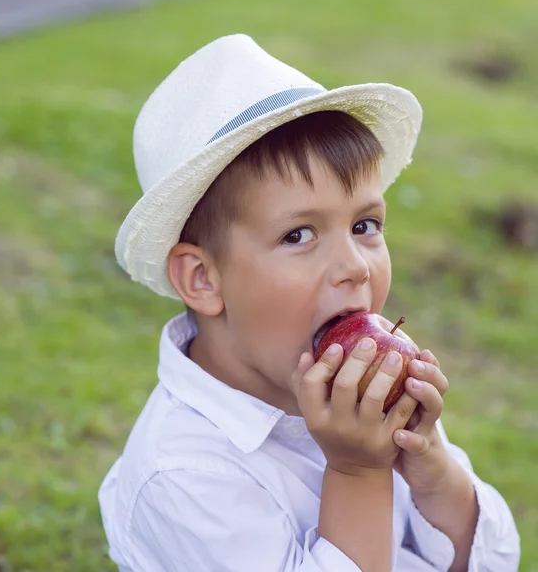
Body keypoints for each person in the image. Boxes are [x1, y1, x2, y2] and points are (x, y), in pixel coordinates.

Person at [98, 34, 520, 571]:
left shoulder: (362, 393)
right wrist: (357, 471)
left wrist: (429, 460)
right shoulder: (184, 472)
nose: (356, 267)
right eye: (299, 235)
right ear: (203, 278)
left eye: (365, 225)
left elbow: (492, 560)